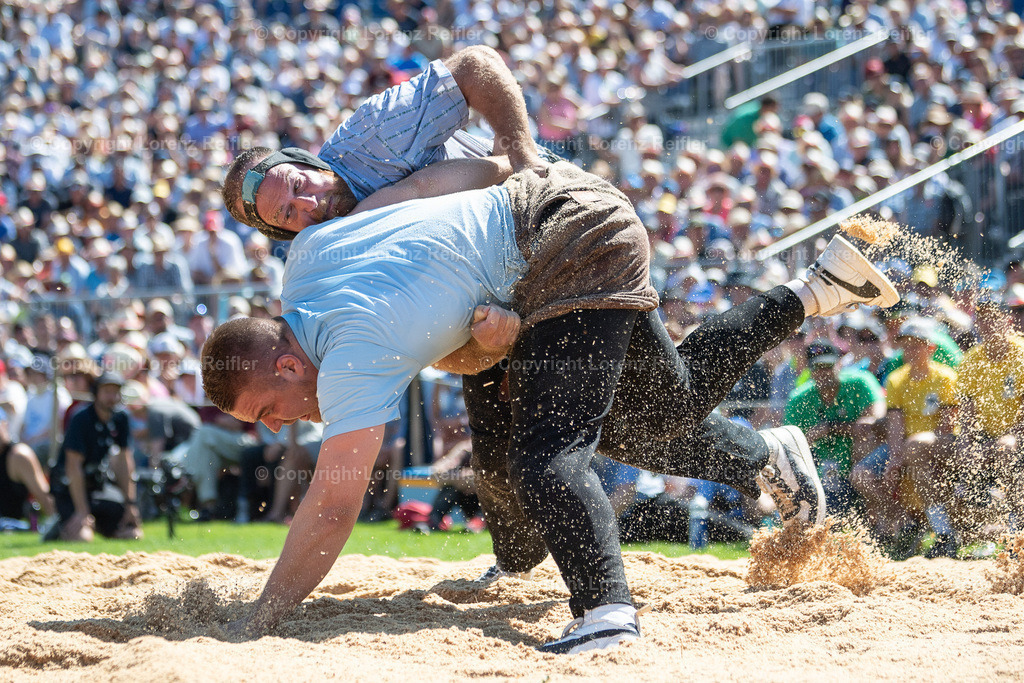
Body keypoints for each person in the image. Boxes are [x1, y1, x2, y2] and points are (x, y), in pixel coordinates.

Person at [201, 149, 899, 652]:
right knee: (651, 414)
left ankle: (606, 616)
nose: (279, 426)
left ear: (288, 363)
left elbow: (332, 506)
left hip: (560, 242)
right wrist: (506, 184)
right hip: (552, 215)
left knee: (549, 457)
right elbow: (425, 196)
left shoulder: (347, 354)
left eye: (267, 411)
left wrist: (262, 616)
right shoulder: (307, 258)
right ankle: (812, 301)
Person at [851, 318, 959, 556]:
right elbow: (895, 424)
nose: (910, 350)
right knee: (860, 475)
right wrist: (895, 457)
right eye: (906, 345)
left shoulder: (945, 377)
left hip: (939, 443)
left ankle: (944, 534)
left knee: (915, 448)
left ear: (930, 348)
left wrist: (907, 452)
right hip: (908, 444)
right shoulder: (896, 379)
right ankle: (906, 524)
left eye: (916, 345)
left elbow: (947, 426)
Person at [785, 340, 887, 518]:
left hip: (859, 465)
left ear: (839, 364)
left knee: (866, 441)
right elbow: (789, 445)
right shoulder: (798, 399)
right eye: (818, 368)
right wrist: (813, 436)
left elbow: (875, 423)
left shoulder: (860, 382)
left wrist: (829, 428)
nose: (823, 372)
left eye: (828, 366)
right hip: (821, 471)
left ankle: (885, 517)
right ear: (810, 370)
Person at [49, 372, 142, 542]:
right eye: (106, 392)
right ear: (96, 393)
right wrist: (82, 511)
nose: (111, 397)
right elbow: (73, 466)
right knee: (84, 538)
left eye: (115, 392)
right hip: (70, 487)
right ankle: (60, 528)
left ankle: (97, 525)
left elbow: (125, 461)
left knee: (133, 534)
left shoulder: (120, 418)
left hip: (97, 486)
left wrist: (130, 505)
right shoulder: (81, 418)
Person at [0, 406, 58, 538]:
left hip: (13, 525)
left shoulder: (18, 455)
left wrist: (58, 525)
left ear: (5, 425)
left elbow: (44, 496)